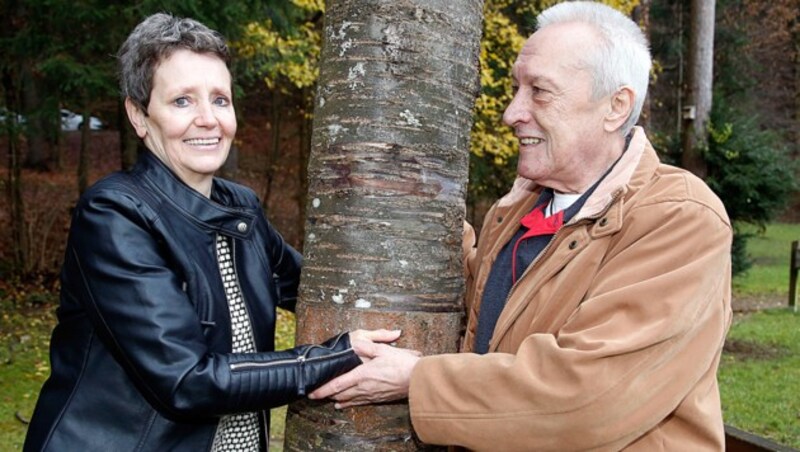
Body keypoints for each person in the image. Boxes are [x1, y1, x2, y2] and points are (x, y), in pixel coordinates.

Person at [310, 2, 733, 450]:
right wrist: (406, 216)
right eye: (516, 88)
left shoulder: (679, 218)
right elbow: (492, 315)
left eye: (539, 91)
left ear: (616, 107)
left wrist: (419, 379)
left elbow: (588, 397)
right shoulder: (517, 209)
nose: (512, 112)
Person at [24, 13, 399, 452]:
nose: (207, 119)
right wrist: (336, 357)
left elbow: (317, 289)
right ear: (139, 115)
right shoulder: (115, 214)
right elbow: (186, 381)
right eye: (182, 101)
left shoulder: (240, 209)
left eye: (220, 100)